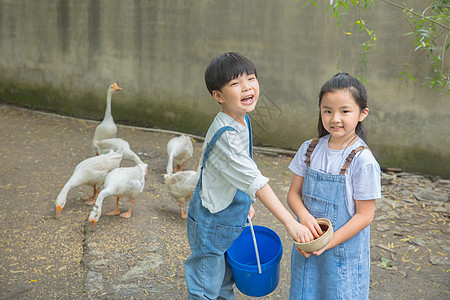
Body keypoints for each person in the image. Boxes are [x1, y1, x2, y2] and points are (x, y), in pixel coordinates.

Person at [184, 52, 313, 299]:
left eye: (251, 79)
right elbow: (255, 181)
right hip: (211, 221)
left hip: (229, 214)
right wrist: (289, 222)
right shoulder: (226, 137)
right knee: (205, 284)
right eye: (235, 84)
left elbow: (240, 172)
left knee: (223, 280)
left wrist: (245, 204)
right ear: (218, 96)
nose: (247, 88)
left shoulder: (242, 119)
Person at [287, 72, 381, 299]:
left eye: (344, 111)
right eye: (327, 110)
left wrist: (326, 244)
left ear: (362, 113)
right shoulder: (309, 149)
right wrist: (304, 217)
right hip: (307, 247)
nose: (334, 118)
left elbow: (365, 216)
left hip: (343, 255)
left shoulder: (363, 160)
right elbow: (293, 194)